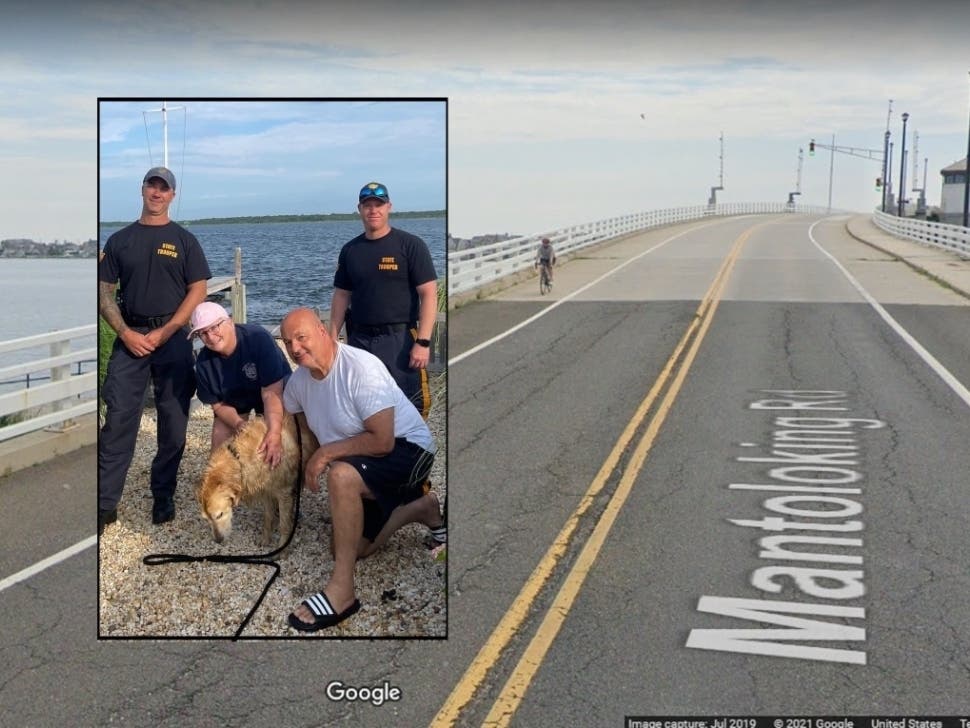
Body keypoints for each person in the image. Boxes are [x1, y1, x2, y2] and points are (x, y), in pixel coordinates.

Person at [279, 307, 444, 632]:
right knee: (354, 548)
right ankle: (421, 507)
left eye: (302, 337)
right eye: (288, 342)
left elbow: (382, 441)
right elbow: (287, 412)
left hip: (409, 450)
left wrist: (325, 453)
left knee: (340, 474)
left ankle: (342, 593)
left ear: (324, 331)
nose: (295, 348)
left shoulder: (360, 368)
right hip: (364, 460)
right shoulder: (299, 382)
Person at [98, 166, 211, 535]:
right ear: (143, 190)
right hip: (131, 337)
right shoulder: (119, 240)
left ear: (172, 196)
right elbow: (104, 294)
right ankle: (104, 502)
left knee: (174, 422)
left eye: (164, 188)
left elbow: (198, 290)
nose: (157, 193)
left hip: (173, 338)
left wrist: (170, 329)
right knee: (118, 420)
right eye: (152, 186)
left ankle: (163, 493)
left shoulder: (184, 240)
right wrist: (126, 332)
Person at [327, 181, 438, 420]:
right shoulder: (350, 251)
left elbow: (429, 293)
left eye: (379, 204)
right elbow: (341, 295)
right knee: (363, 405)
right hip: (361, 340)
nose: (373, 210)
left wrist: (424, 342)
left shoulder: (410, 245)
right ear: (360, 209)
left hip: (400, 340)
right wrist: (332, 339)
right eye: (368, 205)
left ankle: (415, 453)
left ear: (389, 207)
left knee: (411, 406)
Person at [189, 301, 292, 467]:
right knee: (219, 442)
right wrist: (239, 424)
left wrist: (274, 432)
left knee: (281, 436)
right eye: (203, 333)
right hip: (234, 399)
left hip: (271, 389)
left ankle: (286, 476)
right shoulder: (203, 364)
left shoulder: (259, 339)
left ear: (229, 321)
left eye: (214, 327)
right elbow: (218, 406)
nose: (210, 336)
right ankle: (225, 484)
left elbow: (272, 393)